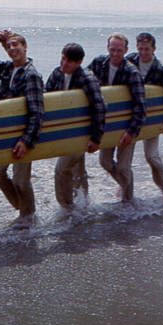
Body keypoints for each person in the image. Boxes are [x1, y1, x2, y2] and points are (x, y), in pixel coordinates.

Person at [0, 30, 44, 228]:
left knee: (22, 180)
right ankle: (24, 210)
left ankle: (29, 218)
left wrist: (26, 140)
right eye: (9, 46)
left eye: (16, 45)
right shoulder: (8, 69)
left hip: (24, 135)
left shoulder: (32, 75)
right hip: (6, 133)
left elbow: (37, 112)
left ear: (25, 47)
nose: (12, 49)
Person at [126, 32, 163, 206]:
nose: (143, 53)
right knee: (125, 162)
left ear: (154, 49)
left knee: (151, 157)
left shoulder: (161, 70)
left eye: (147, 49)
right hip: (131, 120)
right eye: (140, 49)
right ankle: (127, 194)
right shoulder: (130, 61)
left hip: (152, 121)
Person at [45, 43, 106, 209]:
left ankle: (66, 208)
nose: (64, 64)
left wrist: (95, 138)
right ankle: (84, 206)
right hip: (65, 133)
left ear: (79, 63)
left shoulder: (87, 78)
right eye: (63, 58)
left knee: (61, 170)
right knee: (77, 170)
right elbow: (46, 98)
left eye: (69, 62)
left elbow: (99, 108)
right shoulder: (57, 73)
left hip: (82, 134)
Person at [88, 33, 146, 203]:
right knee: (105, 161)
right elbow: (83, 78)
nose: (115, 53)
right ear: (107, 48)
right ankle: (124, 186)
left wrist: (131, 132)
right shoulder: (99, 63)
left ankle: (128, 201)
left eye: (119, 50)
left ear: (126, 50)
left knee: (123, 166)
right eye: (112, 49)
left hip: (128, 125)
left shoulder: (132, 72)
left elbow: (141, 107)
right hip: (108, 124)